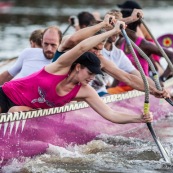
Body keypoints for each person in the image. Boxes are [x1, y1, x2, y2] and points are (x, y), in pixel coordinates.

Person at [0, 19, 153, 125]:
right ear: (78, 67)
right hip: (6, 94)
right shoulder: (59, 66)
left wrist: (139, 118)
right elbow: (80, 47)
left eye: (95, 74)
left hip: (21, 108)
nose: (92, 78)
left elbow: (111, 114)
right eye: (90, 73)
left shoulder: (85, 91)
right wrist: (111, 31)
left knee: (15, 111)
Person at [117, 0, 164, 76]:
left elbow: (140, 45)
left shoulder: (138, 26)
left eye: (122, 10)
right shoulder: (134, 24)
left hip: (150, 55)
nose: (120, 12)